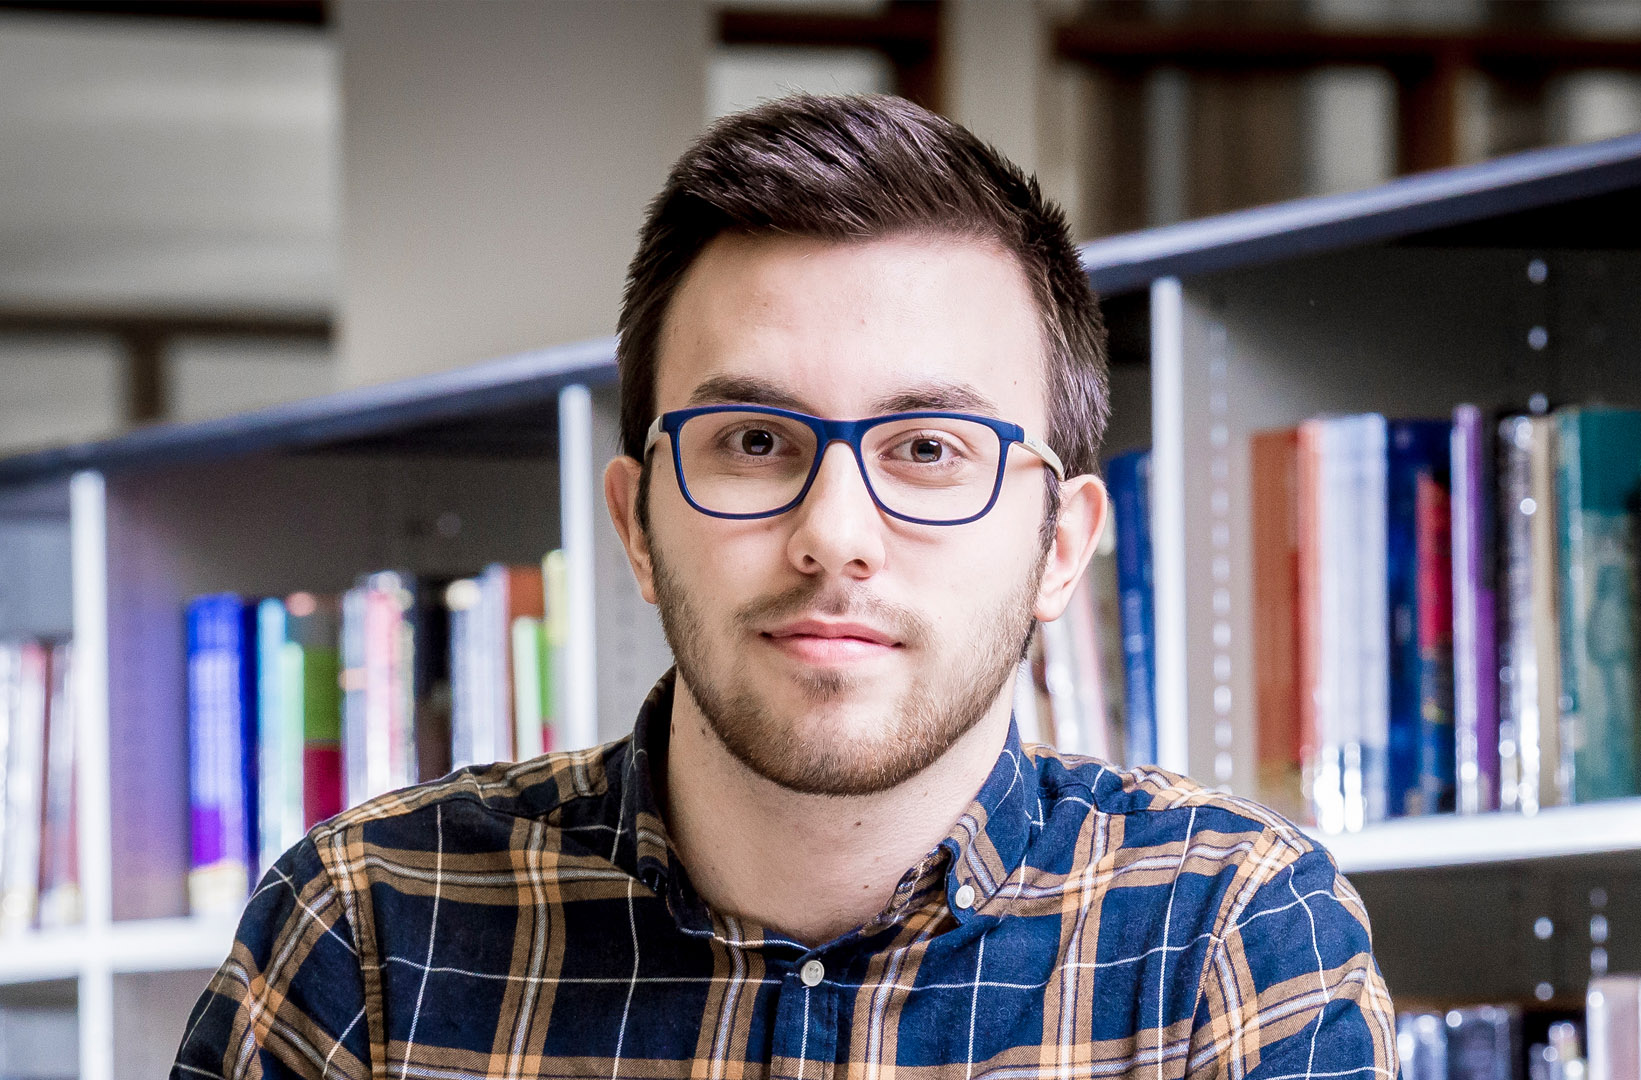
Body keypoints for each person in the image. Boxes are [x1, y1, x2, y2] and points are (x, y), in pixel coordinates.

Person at [173, 93, 1395, 1080]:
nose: (836, 537)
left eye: (929, 450)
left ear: (1061, 547)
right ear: (637, 525)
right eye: (755, 441)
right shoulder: (371, 934)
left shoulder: (1226, 939)